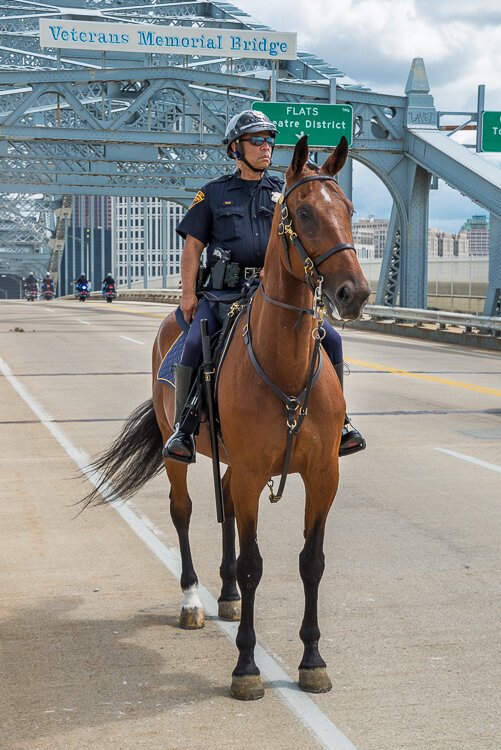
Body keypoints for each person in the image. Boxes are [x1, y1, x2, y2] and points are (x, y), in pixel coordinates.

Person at [164, 109, 366, 464]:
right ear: (235, 149)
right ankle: (185, 427)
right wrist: (188, 293)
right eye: (256, 140)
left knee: (331, 338)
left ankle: (341, 422)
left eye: (269, 140)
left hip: (270, 290)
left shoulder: (284, 192)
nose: (265, 147)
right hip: (223, 294)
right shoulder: (212, 194)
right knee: (195, 342)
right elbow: (193, 247)